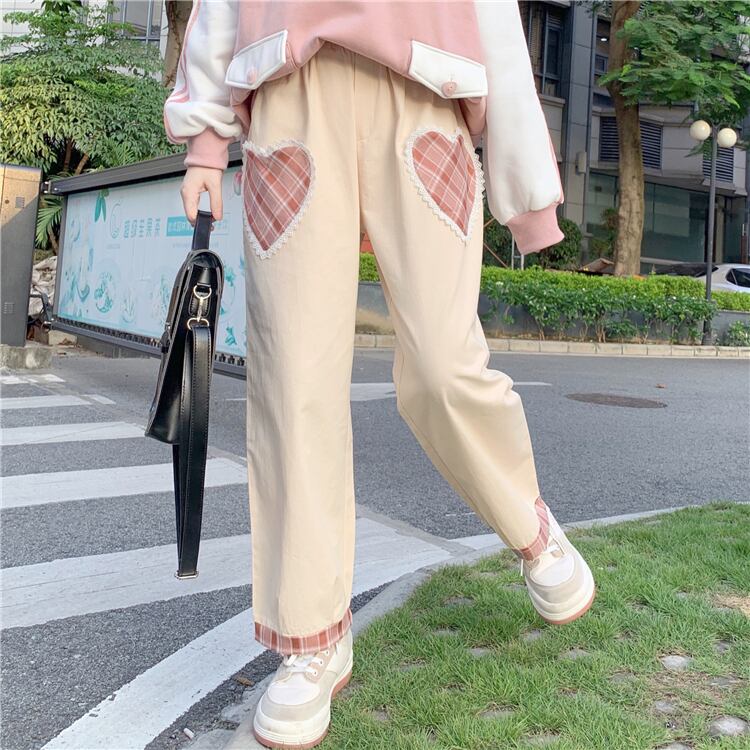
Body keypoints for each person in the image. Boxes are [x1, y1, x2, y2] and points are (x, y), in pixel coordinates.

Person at [164, 2, 595, 747]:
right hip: (292, 96)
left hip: (424, 93)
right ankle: (312, 637)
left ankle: (532, 528)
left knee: (442, 366)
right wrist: (206, 142)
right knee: (294, 383)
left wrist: (527, 190)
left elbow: (494, 20)